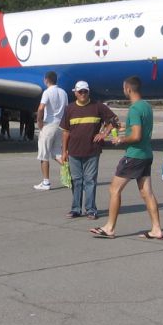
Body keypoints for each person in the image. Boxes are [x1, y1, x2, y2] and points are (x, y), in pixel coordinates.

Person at [89, 76, 163, 240]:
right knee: (147, 193)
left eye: (124, 88)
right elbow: (137, 128)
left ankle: (109, 227)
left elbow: (136, 136)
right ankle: (156, 229)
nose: (123, 90)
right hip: (146, 154)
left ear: (128, 89)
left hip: (134, 155)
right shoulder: (146, 106)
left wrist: (120, 139)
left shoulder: (135, 109)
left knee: (114, 189)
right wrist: (122, 126)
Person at [60, 80, 119, 220]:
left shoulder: (97, 106)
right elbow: (66, 132)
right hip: (74, 151)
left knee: (90, 180)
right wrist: (64, 151)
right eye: (80, 91)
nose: (83, 94)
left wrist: (104, 133)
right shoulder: (69, 109)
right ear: (75, 93)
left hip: (92, 151)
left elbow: (114, 120)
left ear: (88, 92)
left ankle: (91, 209)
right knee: (76, 181)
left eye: (85, 91)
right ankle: (76, 209)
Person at [33, 71, 68, 190]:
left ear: (46, 80)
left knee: (44, 154)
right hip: (60, 125)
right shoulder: (63, 92)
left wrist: (39, 121)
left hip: (49, 124)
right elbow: (67, 109)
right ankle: (73, 174)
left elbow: (41, 108)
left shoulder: (47, 92)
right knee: (57, 153)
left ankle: (46, 182)